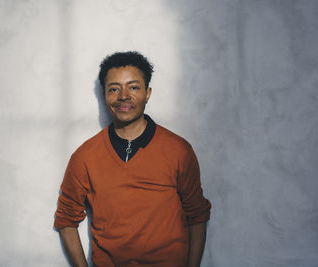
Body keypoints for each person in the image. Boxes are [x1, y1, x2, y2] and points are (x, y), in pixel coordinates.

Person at [54, 51, 211, 267]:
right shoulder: (85, 157)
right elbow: (66, 220)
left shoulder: (178, 150)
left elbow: (198, 215)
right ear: (105, 95)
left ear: (148, 93)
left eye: (133, 87)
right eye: (114, 89)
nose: (123, 96)